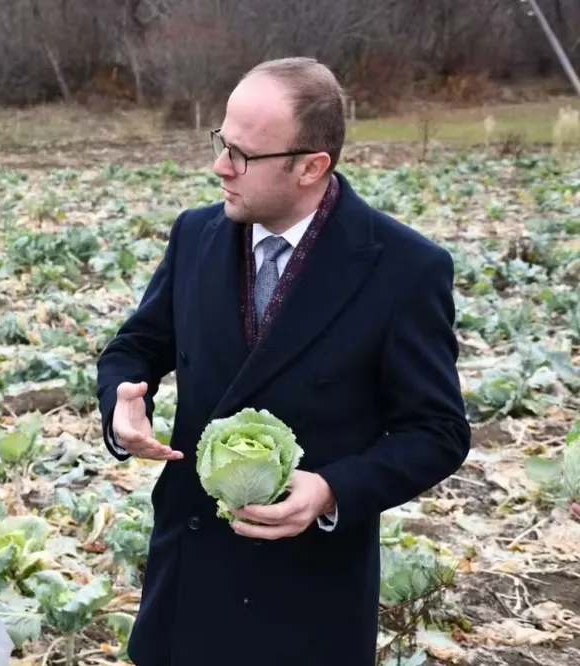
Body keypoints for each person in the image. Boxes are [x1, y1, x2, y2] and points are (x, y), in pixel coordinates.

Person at [96, 57, 471, 666]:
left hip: (308, 598)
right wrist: (120, 404)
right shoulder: (195, 235)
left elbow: (437, 431)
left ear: (311, 166)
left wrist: (330, 490)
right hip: (187, 573)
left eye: (242, 154)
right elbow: (135, 347)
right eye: (221, 142)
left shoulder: (403, 268)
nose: (220, 166)